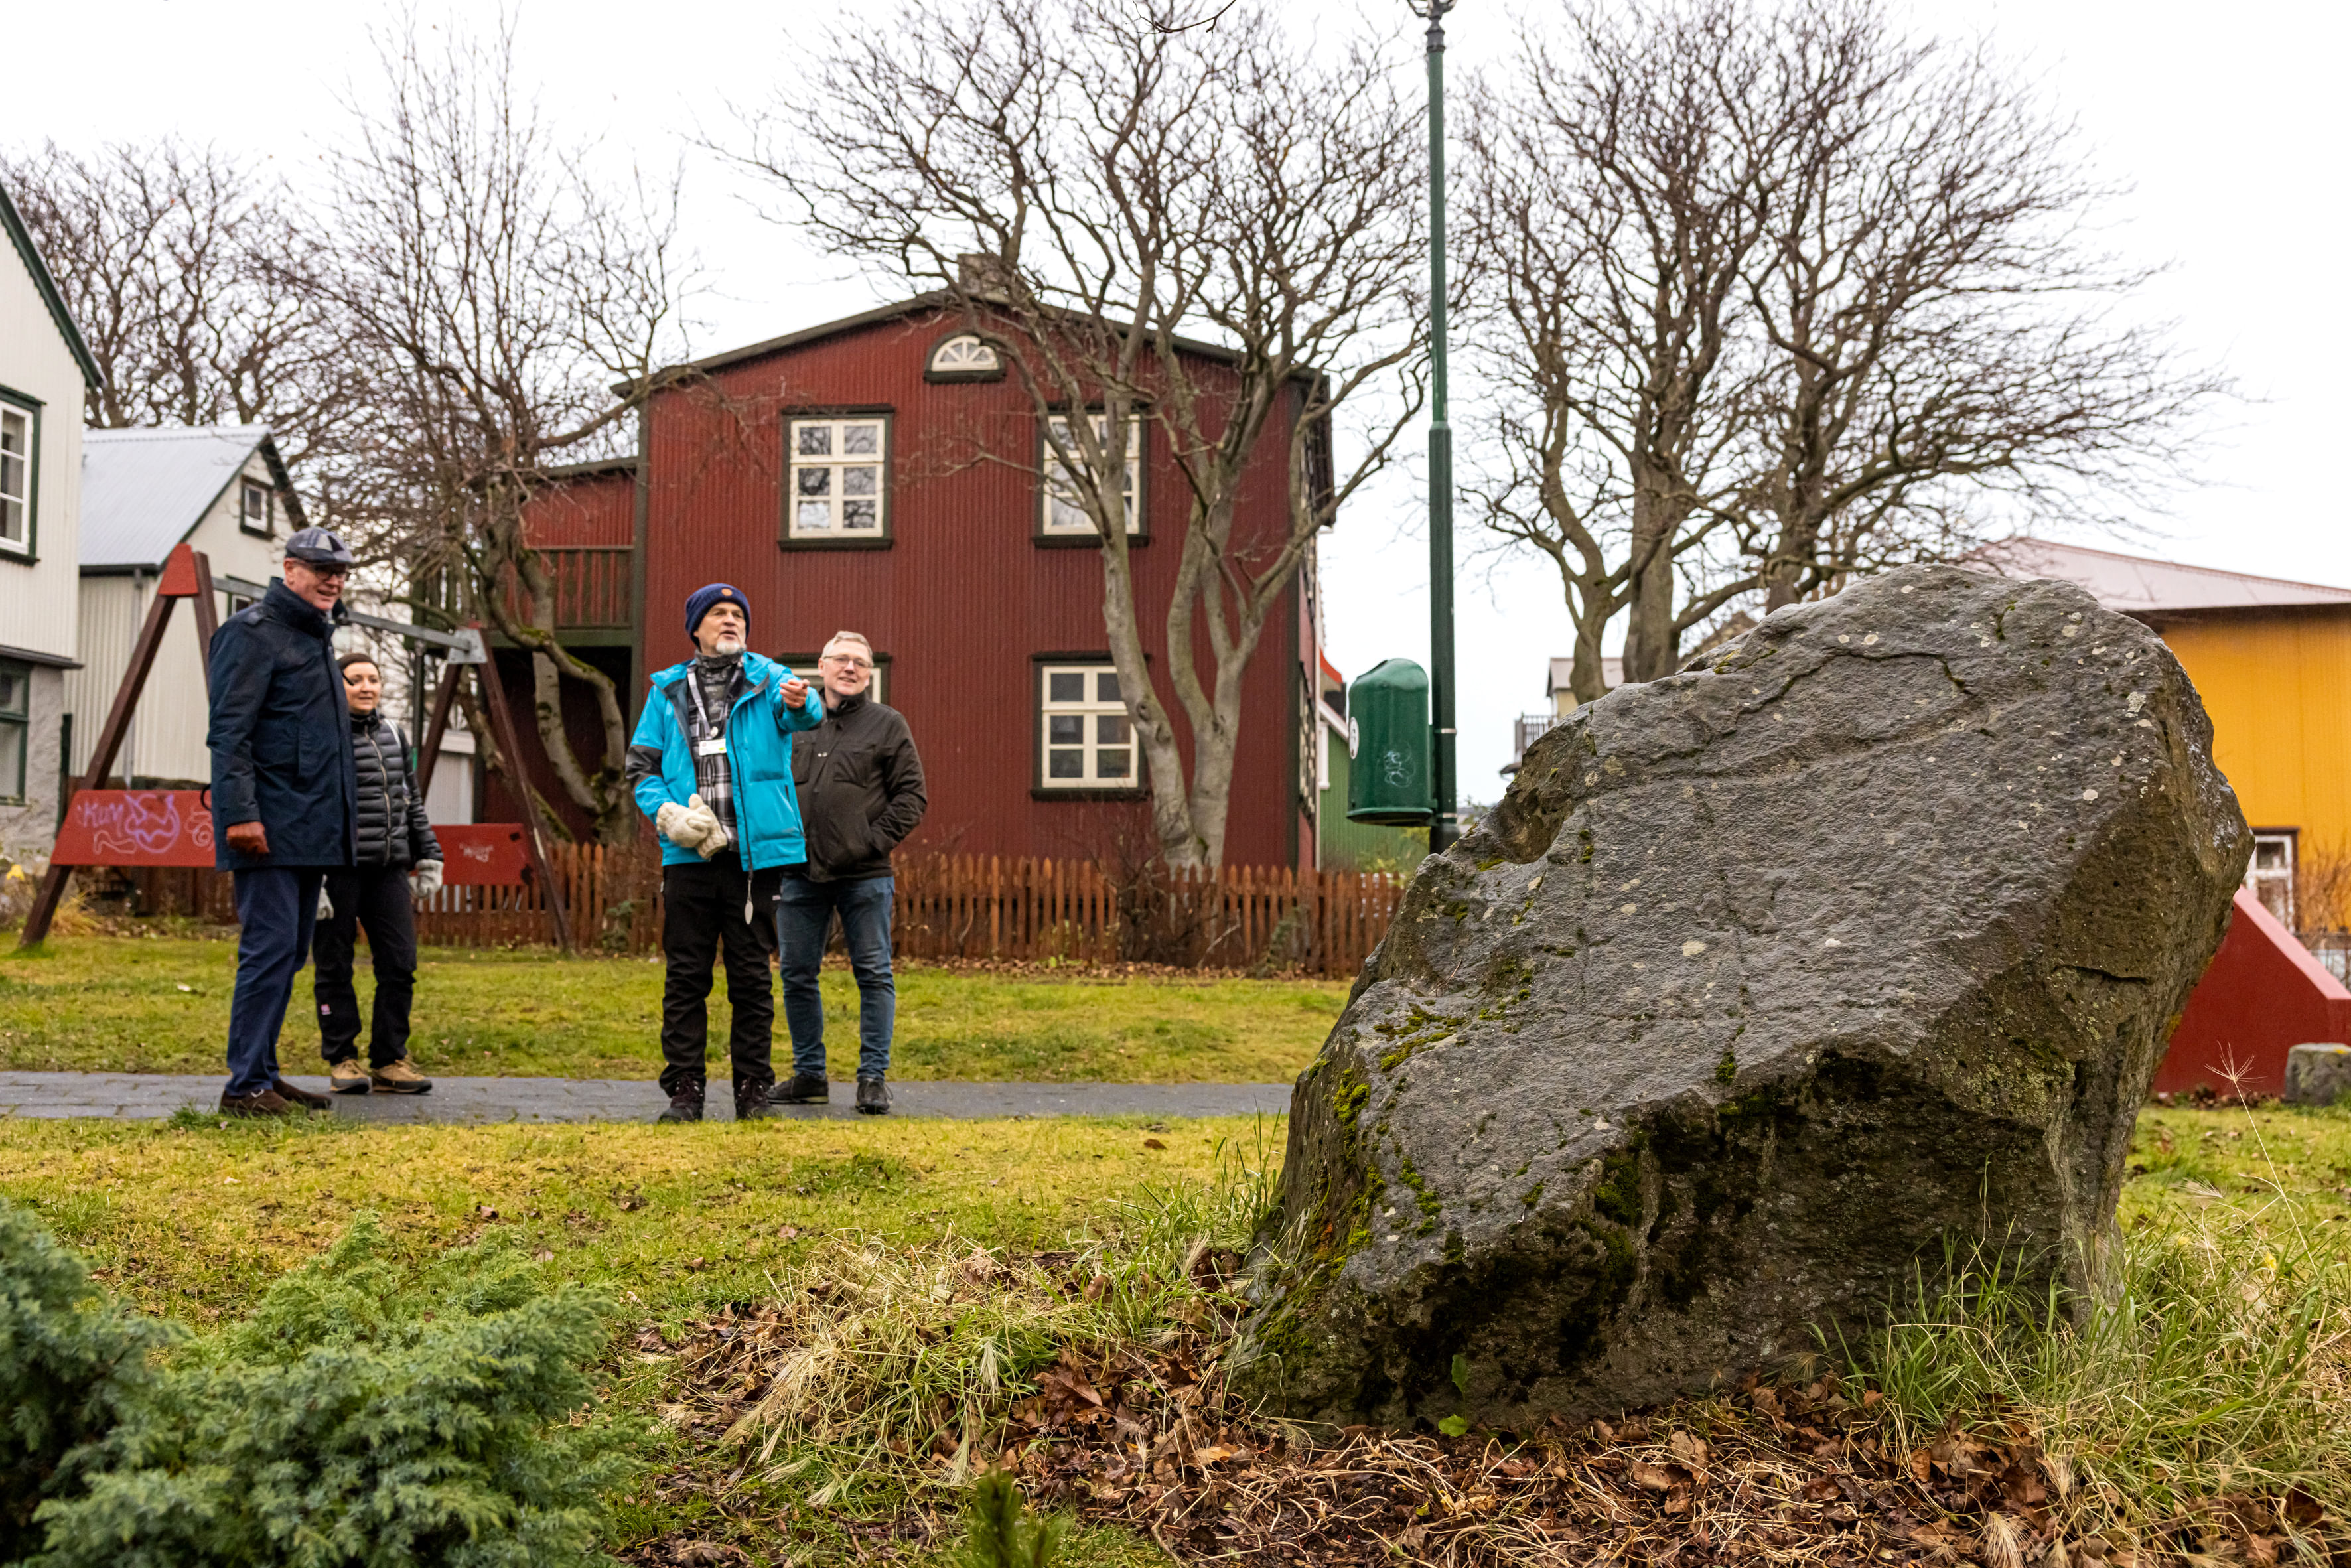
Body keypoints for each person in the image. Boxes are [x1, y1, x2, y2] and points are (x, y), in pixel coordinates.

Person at [624, 583, 823, 1123]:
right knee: (686, 976)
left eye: (738, 614)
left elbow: (807, 715)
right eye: (719, 613)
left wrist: (803, 701)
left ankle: (753, 1092)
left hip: (754, 860)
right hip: (688, 860)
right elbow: (640, 768)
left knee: (751, 978)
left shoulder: (770, 679)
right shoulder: (665, 690)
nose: (731, 621)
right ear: (696, 628)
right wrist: (668, 815)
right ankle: (684, 1092)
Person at [206, 527, 359, 1117]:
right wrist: (240, 815)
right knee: (268, 950)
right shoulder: (251, 634)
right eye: (321, 568)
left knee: (291, 951)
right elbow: (229, 734)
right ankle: (243, 1086)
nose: (332, 579)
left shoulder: (315, 639)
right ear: (291, 569)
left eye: (340, 571)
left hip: (311, 829)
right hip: (266, 827)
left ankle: (264, 1073)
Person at [778, 631, 927, 1115]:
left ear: (869, 673)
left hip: (865, 875)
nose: (850, 668)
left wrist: (868, 841)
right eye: (841, 659)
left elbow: (912, 797)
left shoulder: (888, 724)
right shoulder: (794, 723)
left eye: (860, 663)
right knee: (797, 972)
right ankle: (809, 1076)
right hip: (799, 872)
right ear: (821, 666)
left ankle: (872, 1078)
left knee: (873, 972)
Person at [313, 653, 443, 1094]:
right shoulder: (321, 735)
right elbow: (310, 805)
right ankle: (342, 1059)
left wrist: (429, 855)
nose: (366, 687)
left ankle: (389, 1059)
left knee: (400, 963)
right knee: (335, 964)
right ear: (337, 684)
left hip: (388, 867)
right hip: (337, 868)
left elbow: (412, 801)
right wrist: (312, 878)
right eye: (355, 680)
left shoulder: (393, 734)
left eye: (374, 679)